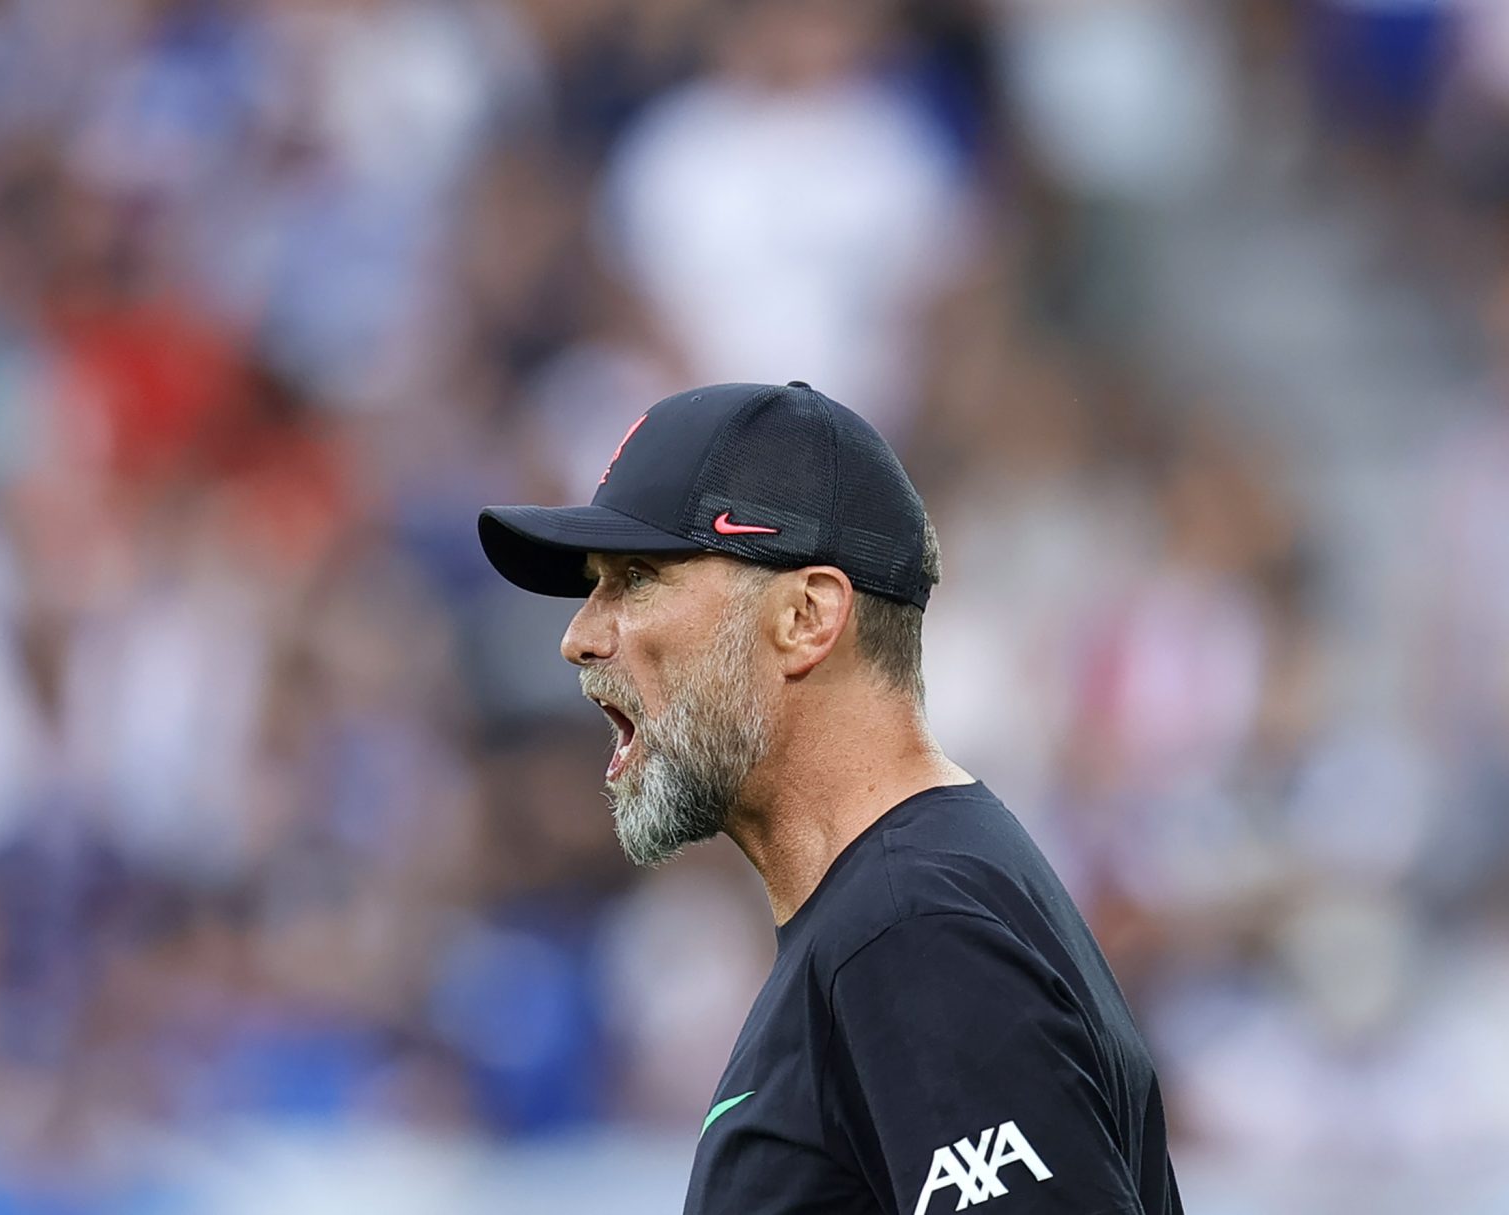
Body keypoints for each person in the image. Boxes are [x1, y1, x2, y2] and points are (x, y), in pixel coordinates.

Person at [478, 382, 1182, 1215]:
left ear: (807, 616)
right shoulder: (906, 904)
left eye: (636, 578)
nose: (579, 636)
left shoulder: (913, 931)